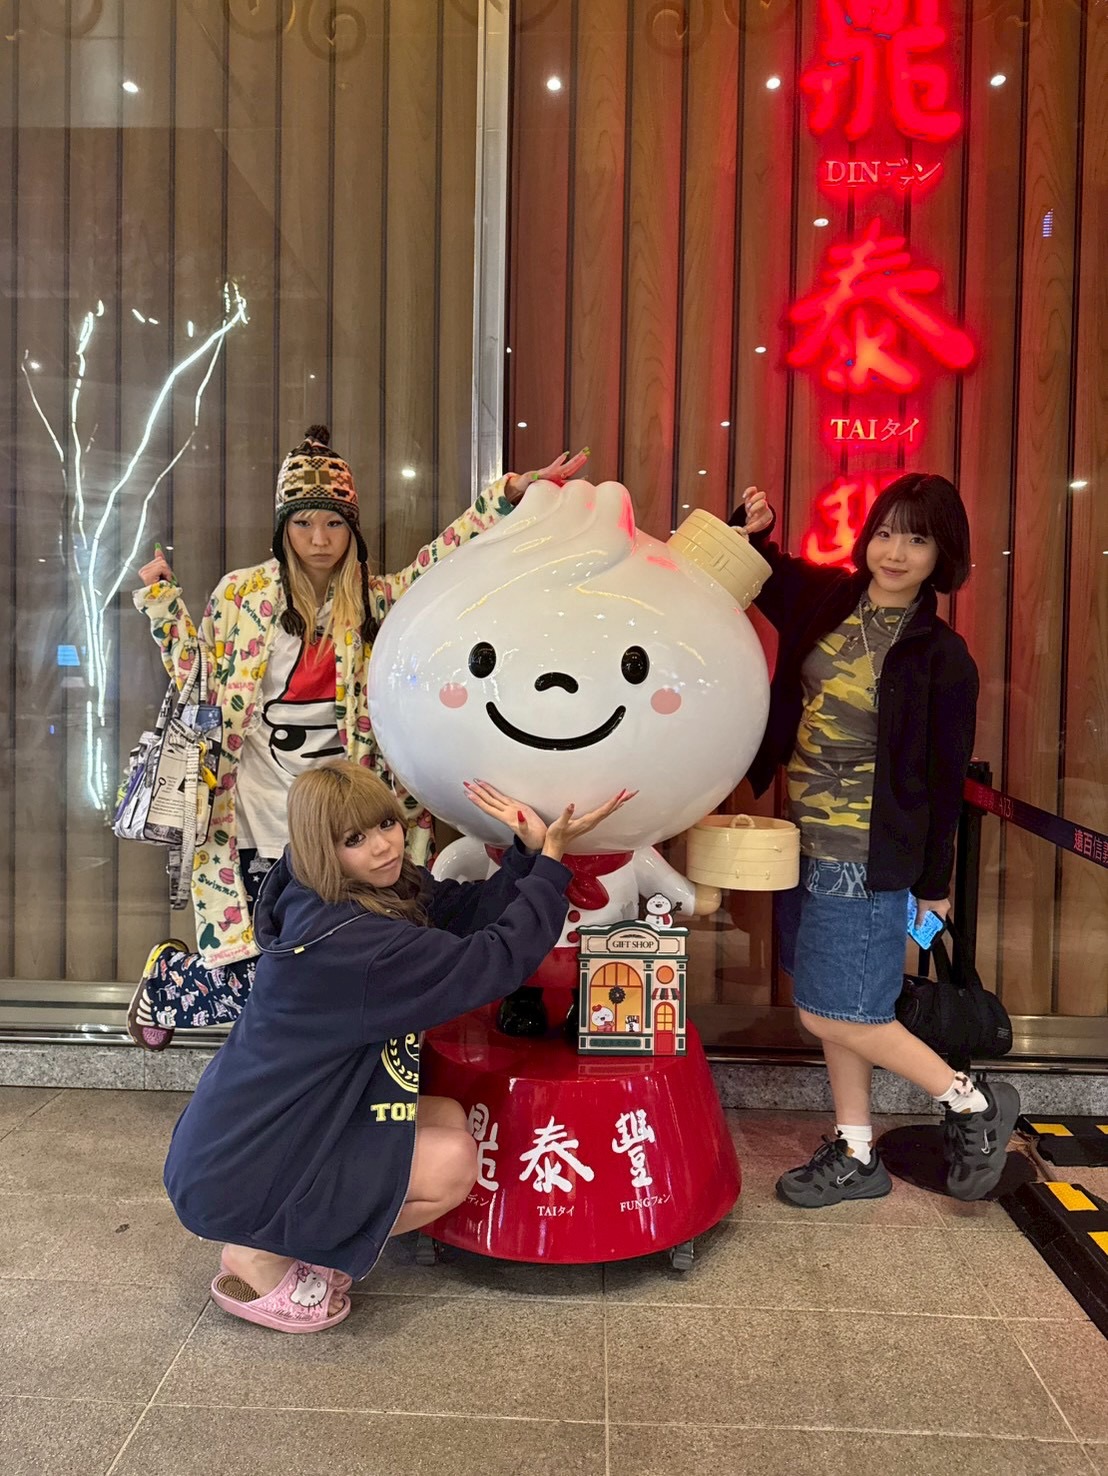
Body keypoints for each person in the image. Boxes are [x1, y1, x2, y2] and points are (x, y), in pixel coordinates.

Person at [126, 426, 587, 1051]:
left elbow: (439, 562)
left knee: (329, 967)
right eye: (303, 523)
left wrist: (503, 496)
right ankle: (171, 985)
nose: (319, 540)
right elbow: (197, 679)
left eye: (334, 524)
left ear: (353, 529)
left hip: (346, 827)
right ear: (283, 528)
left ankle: (205, 1005)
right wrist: (162, 604)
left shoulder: (374, 603)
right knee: (262, 973)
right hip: (256, 818)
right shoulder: (240, 596)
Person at [163, 760, 630, 1332]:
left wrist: (528, 855)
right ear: (321, 848)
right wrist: (553, 864)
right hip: (244, 1167)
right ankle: (258, 1253)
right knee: (453, 1164)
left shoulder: (332, 892)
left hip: (263, 1131)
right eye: (354, 839)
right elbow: (494, 959)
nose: (384, 846)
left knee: (449, 1118)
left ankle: (297, 1239)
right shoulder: (354, 946)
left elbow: (463, 914)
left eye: (386, 824)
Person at [730, 474, 1019, 1206]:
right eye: (886, 533)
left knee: (831, 1011)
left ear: (943, 554)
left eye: (917, 539)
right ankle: (857, 1150)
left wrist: (934, 884)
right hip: (801, 838)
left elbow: (944, 783)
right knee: (839, 1006)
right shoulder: (831, 597)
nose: (895, 552)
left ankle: (971, 1101)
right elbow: (765, 574)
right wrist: (757, 527)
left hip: (868, 853)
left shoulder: (943, 658)